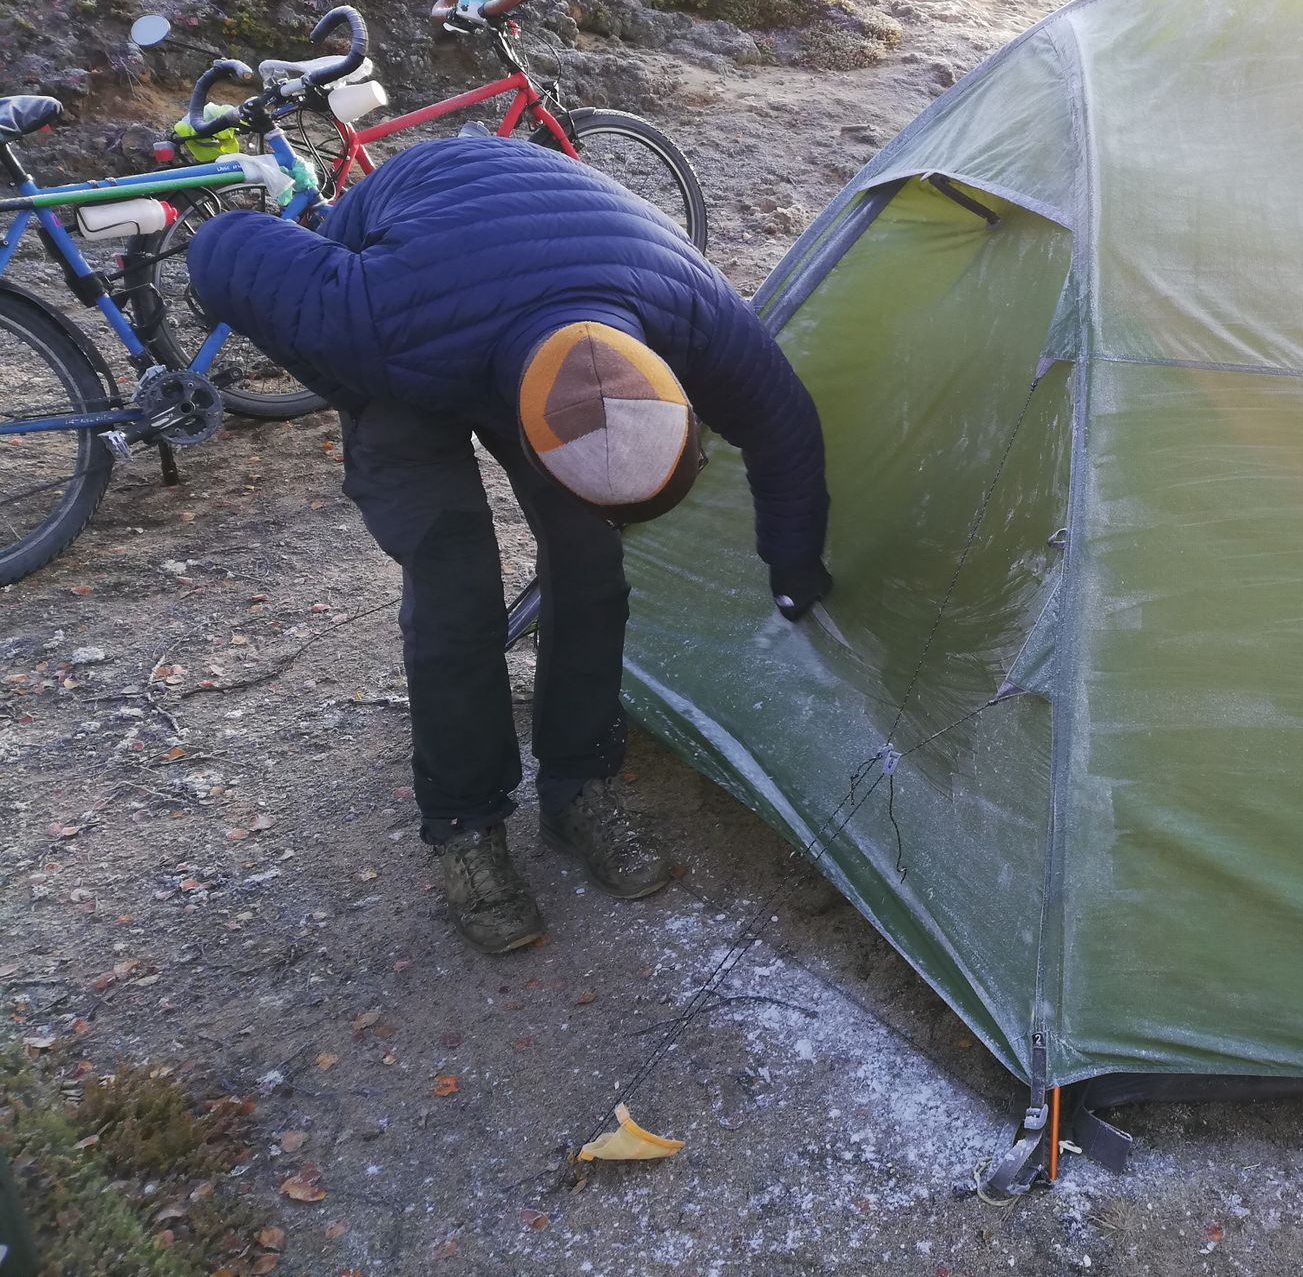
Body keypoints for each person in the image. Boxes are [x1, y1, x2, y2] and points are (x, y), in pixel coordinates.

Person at [187, 136, 832, 953]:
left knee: (592, 565)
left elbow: (786, 428)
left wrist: (794, 565)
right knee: (456, 584)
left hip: (540, 281)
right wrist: (346, 372)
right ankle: (466, 827)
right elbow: (219, 246)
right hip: (406, 312)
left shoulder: (694, 314)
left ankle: (579, 789)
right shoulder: (370, 317)